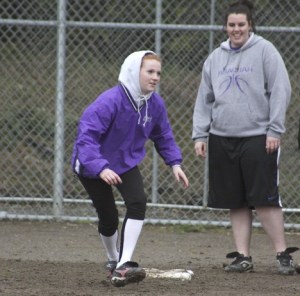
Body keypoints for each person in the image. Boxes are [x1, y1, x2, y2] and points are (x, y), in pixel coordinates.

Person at [192, 0, 298, 275]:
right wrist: (200, 134)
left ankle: (282, 254)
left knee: (264, 198)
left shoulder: (265, 51)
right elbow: (204, 99)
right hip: (222, 137)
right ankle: (243, 256)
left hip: (258, 136)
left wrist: (274, 129)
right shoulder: (216, 57)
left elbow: (280, 89)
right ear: (225, 26)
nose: (236, 29)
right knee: (235, 200)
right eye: (231, 25)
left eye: (241, 24)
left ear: (250, 25)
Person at [71, 50, 189, 287]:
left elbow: (163, 134)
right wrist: (100, 168)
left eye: (158, 73)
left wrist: (174, 162)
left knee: (138, 201)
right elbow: (86, 140)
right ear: (134, 72)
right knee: (108, 217)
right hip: (92, 164)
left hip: (124, 163)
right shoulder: (109, 101)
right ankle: (113, 259)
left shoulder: (154, 104)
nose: (155, 77)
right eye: (149, 72)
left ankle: (125, 264)